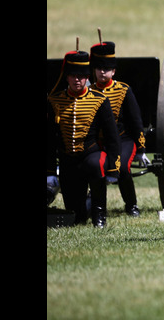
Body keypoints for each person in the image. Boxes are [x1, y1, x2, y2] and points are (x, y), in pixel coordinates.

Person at [47, 50, 121, 228]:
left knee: (95, 165)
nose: (77, 80)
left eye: (81, 76)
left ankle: (99, 214)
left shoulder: (99, 100)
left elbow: (112, 136)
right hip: (67, 159)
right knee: (76, 216)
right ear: (67, 78)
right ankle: (86, 207)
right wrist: (50, 170)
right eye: (73, 76)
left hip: (91, 154)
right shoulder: (55, 101)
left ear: (87, 77)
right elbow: (49, 138)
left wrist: (113, 168)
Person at [90, 41, 149, 217]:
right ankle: (96, 208)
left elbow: (136, 120)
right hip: (98, 142)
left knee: (122, 168)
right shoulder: (89, 91)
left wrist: (141, 148)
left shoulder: (123, 90)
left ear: (113, 71)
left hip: (123, 140)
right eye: (99, 68)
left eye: (107, 68)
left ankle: (131, 205)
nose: (102, 71)